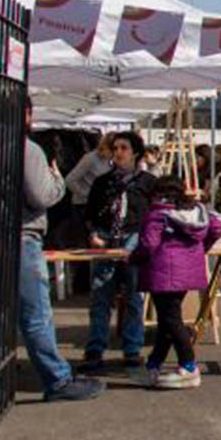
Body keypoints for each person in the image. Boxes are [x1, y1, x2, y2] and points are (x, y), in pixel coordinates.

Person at [20, 98, 105, 401]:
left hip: (0, 238)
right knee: (36, 315)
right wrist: (56, 179)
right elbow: (42, 195)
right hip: (22, 238)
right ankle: (56, 380)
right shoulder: (27, 149)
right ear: (27, 113)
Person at [132, 175, 221, 389]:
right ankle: (154, 363)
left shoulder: (157, 215)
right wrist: (201, 249)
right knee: (167, 320)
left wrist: (133, 258)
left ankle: (189, 365)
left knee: (172, 320)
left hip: (162, 272)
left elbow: (148, 245)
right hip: (188, 272)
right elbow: (217, 227)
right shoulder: (198, 211)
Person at [81, 131, 156, 371]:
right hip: (106, 238)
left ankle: (132, 349)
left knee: (134, 298)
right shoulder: (102, 182)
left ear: (135, 152)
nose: (119, 153)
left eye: (124, 148)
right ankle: (95, 349)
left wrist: (144, 241)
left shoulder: (148, 182)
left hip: (134, 240)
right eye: (115, 148)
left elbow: (154, 216)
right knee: (100, 298)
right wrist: (93, 233)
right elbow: (90, 214)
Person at [65, 132, 114, 226]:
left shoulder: (111, 161)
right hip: (83, 206)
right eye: (113, 150)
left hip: (101, 207)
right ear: (106, 147)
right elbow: (70, 180)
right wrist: (86, 194)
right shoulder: (90, 159)